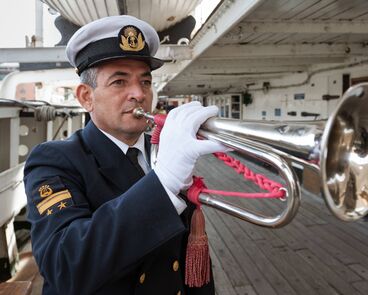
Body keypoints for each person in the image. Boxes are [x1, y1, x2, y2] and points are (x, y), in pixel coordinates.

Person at [24, 15, 226, 295]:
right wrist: (164, 181)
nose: (139, 94)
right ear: (86, 97)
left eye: (145, 82)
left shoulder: (159, 148)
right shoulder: (53, 160)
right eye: (119, 82)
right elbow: (65, 266)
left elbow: (187, 257)